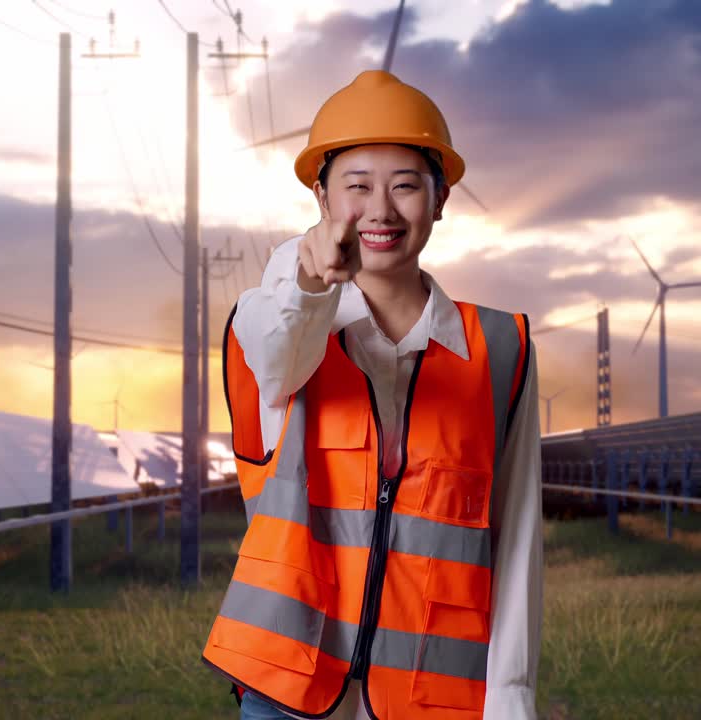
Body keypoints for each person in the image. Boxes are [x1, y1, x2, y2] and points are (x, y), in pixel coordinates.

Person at [202, 69, 543, 720]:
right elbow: (281, 355)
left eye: (406, 185)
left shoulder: (501, 350)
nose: (381, 210)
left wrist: (513, 703)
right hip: (287, 694)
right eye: (357, 187)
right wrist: (308, 275)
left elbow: (517, 540)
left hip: (433, 700)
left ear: (441, 200)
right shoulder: (273, 319)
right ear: (321, 197)